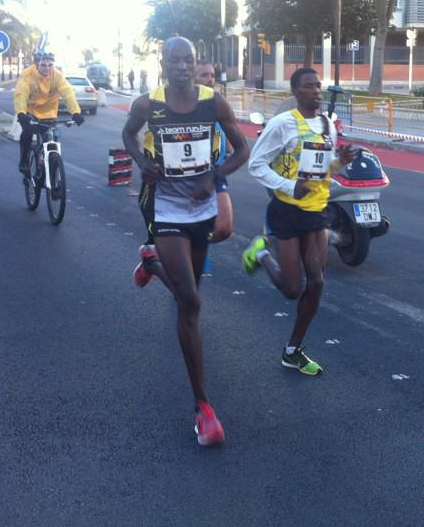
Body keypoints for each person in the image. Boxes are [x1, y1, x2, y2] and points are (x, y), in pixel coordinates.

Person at [122, 37, 249, 447]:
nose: (182, 66)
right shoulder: (148, 104)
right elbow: (128, 135)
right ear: (163, 63)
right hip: (164, 207)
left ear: (195, 65)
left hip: (201, 206)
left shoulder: (214, 103)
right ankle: (203, 407)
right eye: (175, 59)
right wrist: (143, 164)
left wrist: (213, 176)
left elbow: (241, 149)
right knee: (191, 302)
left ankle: (151, 264)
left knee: (188, 290)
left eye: (188, 60)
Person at [242, 68, 355, 376]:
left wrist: (339, 162)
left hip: (317, 211)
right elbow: (256, 164)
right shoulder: (282, 124)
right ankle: (261, 253)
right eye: (309, 86)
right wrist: (290, 186)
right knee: (293, 289)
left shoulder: (326, 125)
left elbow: (323, 166)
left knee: (317, 282)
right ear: (296, 92)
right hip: (288, 211)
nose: (316, 91)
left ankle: (293, 350)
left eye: (318, 85)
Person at [13, 51, 84, 174]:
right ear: (36, 65)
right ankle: (24, 160)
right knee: (27, 134)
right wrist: (21, 113)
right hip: (30, 112)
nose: (47, 68)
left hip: (48, 113)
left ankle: (51, 170)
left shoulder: (57, 75)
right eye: (43, 65)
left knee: (52, 141)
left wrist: (75, 112)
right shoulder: (27, 74)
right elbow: (21, 94)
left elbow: (67, 93)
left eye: (50, 65)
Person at [194, 60, 234, 254]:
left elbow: (235, 143)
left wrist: (226, 150)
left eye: (212, 75)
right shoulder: (180, 105)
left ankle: (193, 241)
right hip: (184, 176)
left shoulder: (217, 102)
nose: (210, 79)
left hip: (214, 173)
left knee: (224, 228)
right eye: (204, 75)